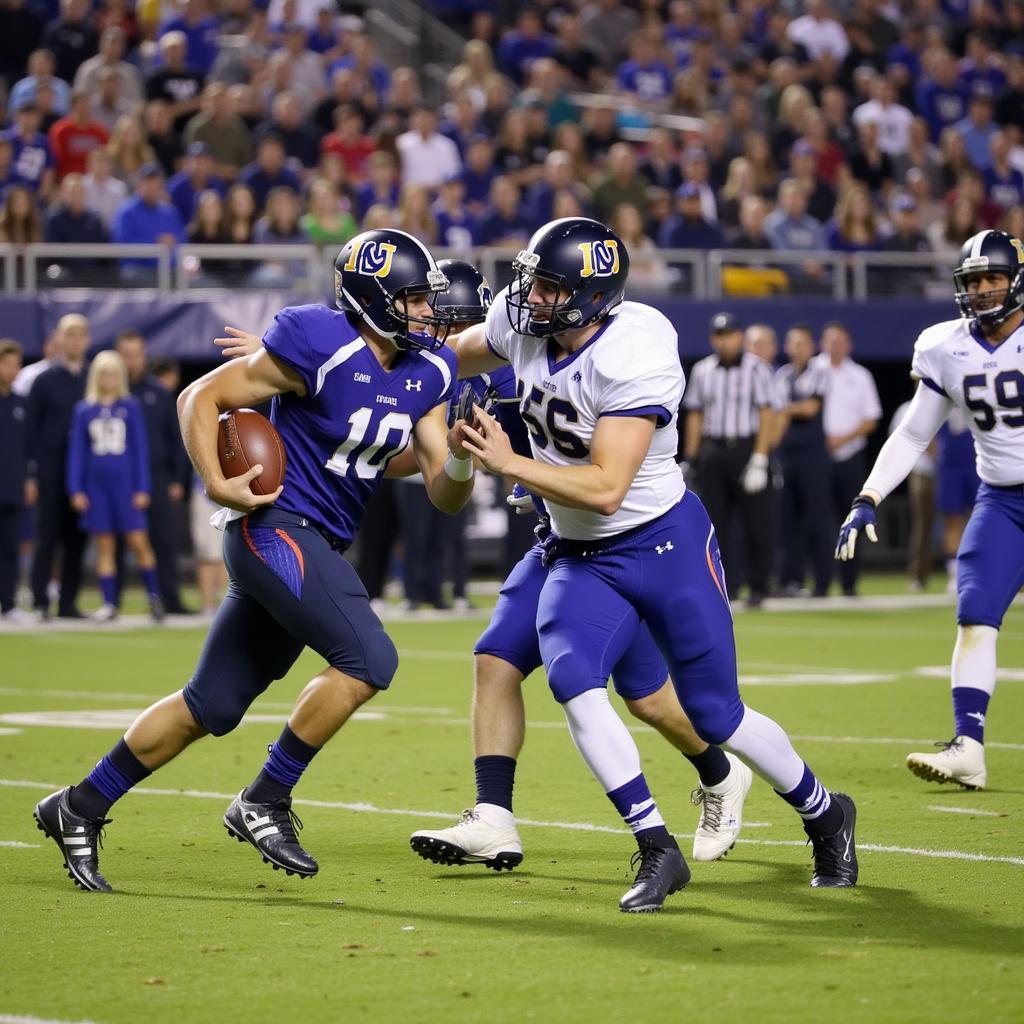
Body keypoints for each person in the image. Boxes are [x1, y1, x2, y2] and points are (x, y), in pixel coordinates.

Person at [33, 229, 476, 893]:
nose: (425, 311)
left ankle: (79, 805)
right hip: (273, 527)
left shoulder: (429, 371)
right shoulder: (318, 341)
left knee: (211, 704)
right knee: (370, 659)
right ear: (373, 299)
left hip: (316, 541)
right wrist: (215, 480)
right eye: (412, 298)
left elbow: (442, 491)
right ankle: (264, 797)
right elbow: (199, 398)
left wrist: (466, 459)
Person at [448, 217, 858, 909]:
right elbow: (455, 353)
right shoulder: (524, 321)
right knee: (575, 682)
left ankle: (825, 813)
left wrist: (509, 460)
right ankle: (657, 848)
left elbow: (608, 488)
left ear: (591, 295)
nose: (531, 297)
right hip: (580, 554)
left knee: (715, 713)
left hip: (661, 543)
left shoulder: (637, 345)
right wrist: (355, 356)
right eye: (532, 281)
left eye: (549, 287)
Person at [409, 261, 754, 895]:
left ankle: (719, 771)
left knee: (647, 697)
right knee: (495, 659)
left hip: (626, 540)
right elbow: (435, 442)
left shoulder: (589, 350)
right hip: (560, 542)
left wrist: (509, 464)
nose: (440, 335)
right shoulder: (491, 351)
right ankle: (494, 815)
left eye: (449, 321)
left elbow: (601, 481)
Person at [837, 229, 1024, 791]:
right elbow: (914, 434)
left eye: (994, 278)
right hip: (1002, 500)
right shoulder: (946, 346)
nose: (985, 290)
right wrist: (868, 496)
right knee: (974, 614)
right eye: (974, 281)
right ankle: (968, 745)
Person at [681, 312, 776, 608]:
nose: (725, 340)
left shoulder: (757, 369)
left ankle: (759, 587)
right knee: (715, 524)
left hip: (746, 447)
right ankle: (726, 585)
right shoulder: (703, 370)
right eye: (719, 335)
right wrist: (690, 458)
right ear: (713, 338)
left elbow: (766, 414)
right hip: (714, 449)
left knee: (756, 523)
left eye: (730, 334)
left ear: (739, 336)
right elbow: (696, 414)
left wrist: (760, 458)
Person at [66, 351, 163, 622]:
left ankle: (154, 597)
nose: (108, 378)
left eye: (112, 373)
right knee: (104, 544)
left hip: (125, 485)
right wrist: (76, 488)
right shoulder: (84, 409)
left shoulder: (130, 406)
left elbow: (140, 449)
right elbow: (78, 452)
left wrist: (142, 487)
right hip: (96, 486)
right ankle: (109, 603)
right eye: (103, 373)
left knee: (138, 540)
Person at [115, 329, 191, 615]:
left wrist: (176, 479)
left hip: (158, 475)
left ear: (143, 356)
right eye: (126, 355)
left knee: (164, 539)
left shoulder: (158, 392)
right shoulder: (112, 393)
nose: (131, 361)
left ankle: (170, 599)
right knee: (118, 539)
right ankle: (114, 601)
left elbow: (177, 438)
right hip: (121, 478)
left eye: (136, 355)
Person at [26, 313, 90, 620]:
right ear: (59, 339)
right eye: (70, 335)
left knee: (77, 539)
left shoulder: (94, 378)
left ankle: (68, 602)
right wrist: (31, 473)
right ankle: (40, 601)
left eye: (80, 335)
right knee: (46, 537)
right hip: (51, 472)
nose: (75, 341)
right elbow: (30, 430)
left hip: (84, 477)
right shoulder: (44, 380)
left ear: (87, 340)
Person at [815, 322, 881, 597]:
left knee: (851, 518)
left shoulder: (860, 375)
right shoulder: (812, 370)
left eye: (841, 341)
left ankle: (849, 582)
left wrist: (842, 439)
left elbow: (871, 419)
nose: (835, 346)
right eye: (831, 340)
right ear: (822, 343)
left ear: (849, 345)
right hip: (816, 457)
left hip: (850, 454)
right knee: (817, 521)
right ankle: (819, 583)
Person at [775, 324, 833, 597]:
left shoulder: (820, 371)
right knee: (787, 520)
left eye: (802, 343)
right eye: (793, 343)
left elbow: (810, 408)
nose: (797, 349)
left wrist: (785, 412)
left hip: (813, 454)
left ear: (812, 347)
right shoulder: (783, 375)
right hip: (787, 454)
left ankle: (822, 582)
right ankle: (790, 580)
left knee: (817, 518)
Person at [0, 339, 31, 622]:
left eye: (15, 364)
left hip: (12, 486)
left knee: (11, 547)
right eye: (6, 364)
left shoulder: (21, 404)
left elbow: (27, 447)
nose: (12, 370)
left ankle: (8, 604)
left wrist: (29, 479)